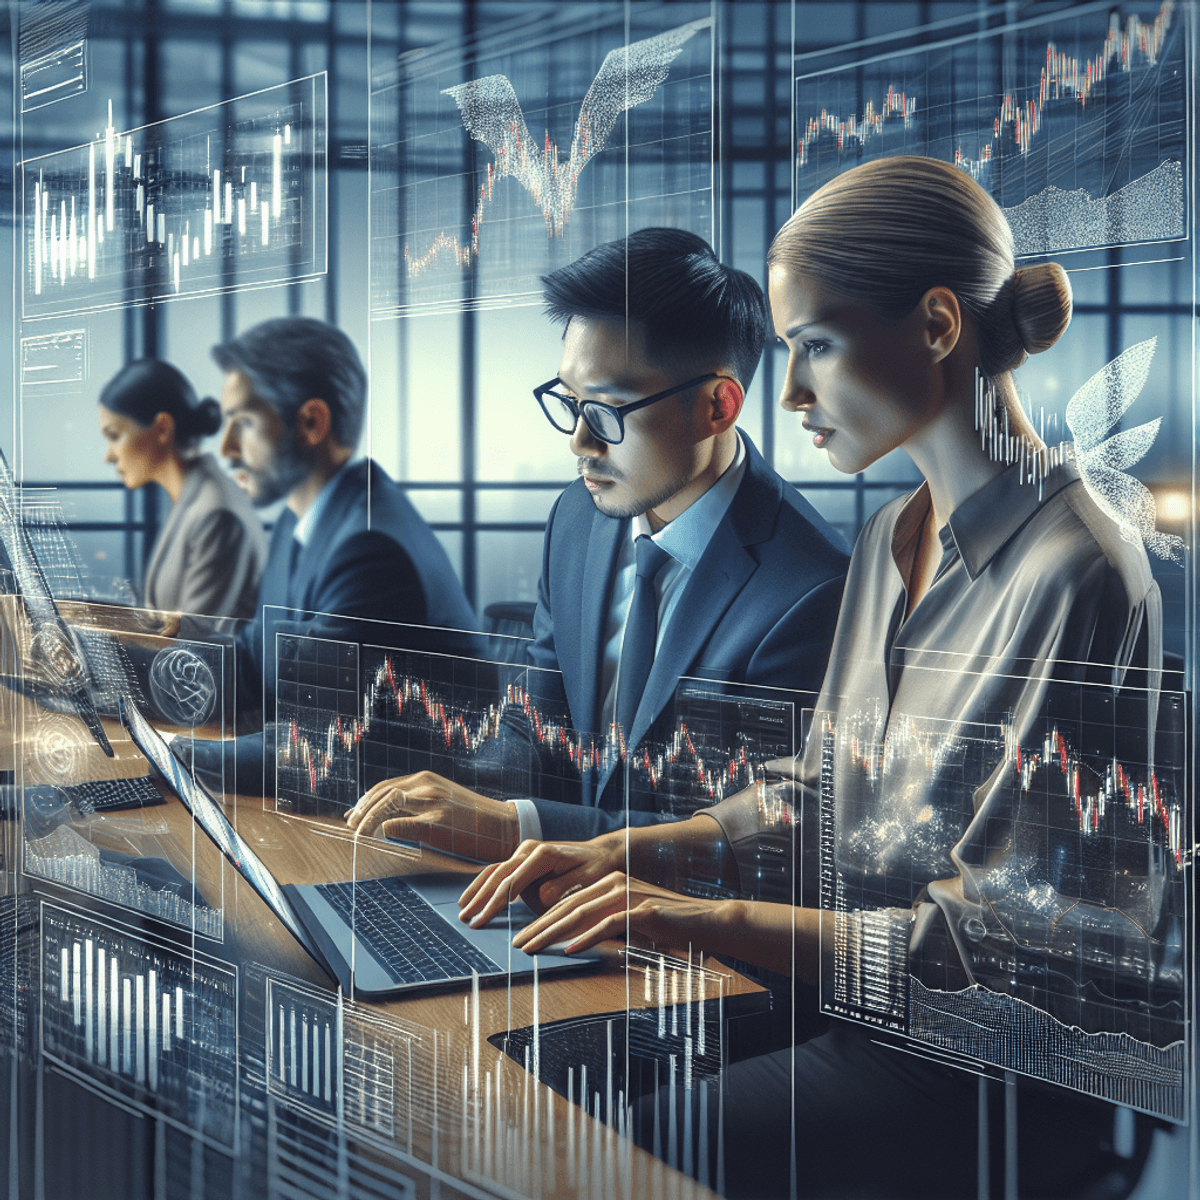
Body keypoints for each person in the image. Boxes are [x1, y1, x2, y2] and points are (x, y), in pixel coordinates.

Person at [457, 159, 1169, 1198]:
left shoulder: (1078, 575)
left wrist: (687, 914)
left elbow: (995, 956)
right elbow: (817, 795)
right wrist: (628, 851)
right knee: (509, 1070)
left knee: (581, 1142)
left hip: (970, 1078)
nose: (788, 394)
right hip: (849, 1011)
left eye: (816, 348)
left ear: (935, 327)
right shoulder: (888, 539)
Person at [346, 228, 851, 863]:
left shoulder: (810, 592)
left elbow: (727, 845)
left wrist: (517, 825)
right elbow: (534, 726)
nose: (580, 442)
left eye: (608, 410)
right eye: (570, 401)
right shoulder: (578, 519)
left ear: (718, 405)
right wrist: (461, 799)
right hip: (546, 899)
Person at [177, 317, 479, 791]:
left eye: (245, 422)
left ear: (311, 422)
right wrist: (116, 660)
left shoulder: (370, 549)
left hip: (402, 831)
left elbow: (319, 743)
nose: (227, 447)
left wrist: (170, 754)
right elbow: (252, 664)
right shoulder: (298, 524)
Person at [98, 359, 266, 619]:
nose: (109, 456)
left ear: (162, 429)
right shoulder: (192, 497)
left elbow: (193, 643)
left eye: (115, 436)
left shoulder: (216, 514)